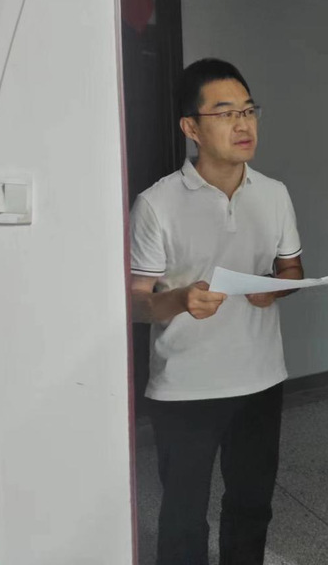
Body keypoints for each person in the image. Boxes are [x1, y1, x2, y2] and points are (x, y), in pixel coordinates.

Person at [129, 58, 304, 565]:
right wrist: (180, 299)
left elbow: (292, 270)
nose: (243, 124)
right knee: (183, 516)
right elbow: (135, 303)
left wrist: (277, 289)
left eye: (248, 111)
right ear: (191, 128)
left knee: (252, 505)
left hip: (261, 380)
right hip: (185, 386)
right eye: (225, 113)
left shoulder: (275, 194)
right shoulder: (156, 204)